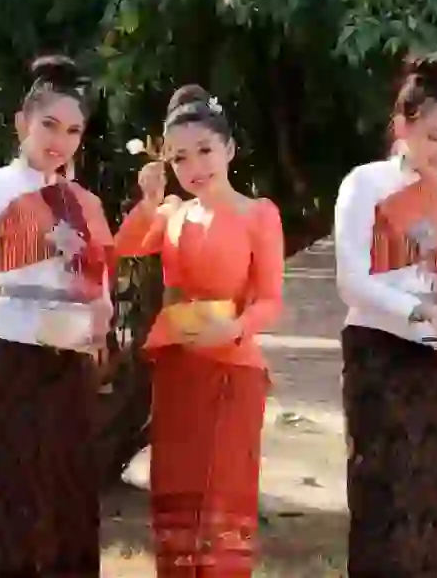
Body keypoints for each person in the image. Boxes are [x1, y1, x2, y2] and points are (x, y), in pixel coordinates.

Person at [115, 84, 284, 577]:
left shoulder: (259, 214)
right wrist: (148, 202)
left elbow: (271, 300)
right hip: (178, 367)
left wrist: (233, 329)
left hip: (232, 369)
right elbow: (125, 248)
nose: (196, 167)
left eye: (206, 151)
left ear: (229, 149)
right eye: (180, 157)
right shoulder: (171, 213)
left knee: (222, 498)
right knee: (176, 494)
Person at [0, 55, 113, 577]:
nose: (59, 141)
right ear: (23, 123)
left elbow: (99, 289)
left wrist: (101, 309)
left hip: (70, 360)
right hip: (8, 351)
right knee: (2, 491)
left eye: (73, 131)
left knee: (67, 495)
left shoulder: (85, 203)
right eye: (49, 125)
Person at [333, 55, 437, 577]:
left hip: (429, 363)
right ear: (403, 125)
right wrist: (419, 312)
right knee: (383, 503)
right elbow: (352, 281)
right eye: (435, 135)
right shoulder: (365, 184)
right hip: (376, 353)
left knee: (430, 505)